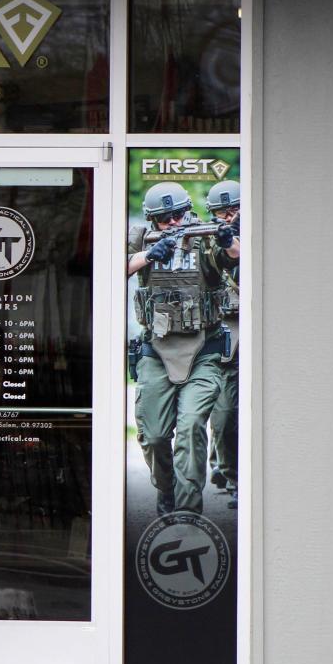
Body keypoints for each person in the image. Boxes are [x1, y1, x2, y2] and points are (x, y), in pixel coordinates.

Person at [128, 181, 239, 515]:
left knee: (191, 427)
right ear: (152, 220)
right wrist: (150, 253)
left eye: (178, 215)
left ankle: (188, 514)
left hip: (203, 349)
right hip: (156, 351)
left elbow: (237, 256)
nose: (174, 223)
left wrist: (228, 239)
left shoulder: (205, 238)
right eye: (165, 219)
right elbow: (106, 267)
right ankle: (165, 490)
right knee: (155, 436)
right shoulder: (141, 240)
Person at [205, 180, 241, 508]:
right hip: (230, 330)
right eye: (222, 212)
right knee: (227, 411)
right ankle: (232, 475)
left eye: (235, 209)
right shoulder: (213, 242)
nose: (229, 216)